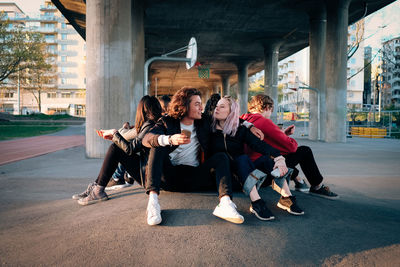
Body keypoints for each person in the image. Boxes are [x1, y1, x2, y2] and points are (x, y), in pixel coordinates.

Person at [142, 87, 252, 226]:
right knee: (157, 146)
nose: (201, 107)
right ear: (184, 105)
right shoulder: (167, 121)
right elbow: (147, 138)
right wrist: (169, 139)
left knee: (221, 157)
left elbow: (228, 117)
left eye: (201, 103)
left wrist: (249, 124)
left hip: (194, 175)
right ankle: (153, 203)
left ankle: (225, 203)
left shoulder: (204, 121)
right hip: (170, 177)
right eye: (197, 104)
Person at [210, 96, 304, 220]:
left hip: (242, 174)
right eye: (217, 106)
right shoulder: (208, 125)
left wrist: (279, 158)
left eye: (222, 106)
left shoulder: (240, 129)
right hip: (222, 176)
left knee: (265, 159)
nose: (217, 109)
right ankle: (256, 202)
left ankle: (286, 197)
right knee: (241, 159)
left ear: (231, 112)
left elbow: (260, 145)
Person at [241, 94, 338, 199]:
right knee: (304, 151)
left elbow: (264, 143)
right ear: (267, 107)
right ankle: (317, 187)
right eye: (271, 110)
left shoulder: (243, 119)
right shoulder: (264, 121)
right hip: (264, 173)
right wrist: (285, 137)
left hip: (247, 171)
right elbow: (291, 147)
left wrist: (283, 134)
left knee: (282, 155)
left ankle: (299, 181)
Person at [72, 95, 163, 205]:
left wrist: (115, 134)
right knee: (117, 147)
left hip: (150, 176)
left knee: (115, 148)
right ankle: (96, 186)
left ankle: (98, 189)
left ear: (143, 110)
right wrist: (115, 137)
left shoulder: (150, 126)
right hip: (152, 171)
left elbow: (130, 149)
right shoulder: (155, 123)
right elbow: (135, 145)